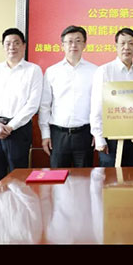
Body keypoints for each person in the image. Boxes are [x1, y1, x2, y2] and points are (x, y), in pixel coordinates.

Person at [0, 28, 43, 188]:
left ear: (24, 46)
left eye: (16, 43)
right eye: (7, 43)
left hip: (18, 131)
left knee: (18, 182)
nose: (12, 47)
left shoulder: (33, 70)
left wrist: (11, 126)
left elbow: (32, 104)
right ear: (3, 46)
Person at [39, 25, 98, 168]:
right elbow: (45, 106)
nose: (73, 45)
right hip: (58, 135)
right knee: (57, 178)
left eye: (78, 41)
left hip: (85, 134)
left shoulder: (95, 71)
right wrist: (45, 135)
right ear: (62, 45)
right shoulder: (52, 72)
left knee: (84, 178)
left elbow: (99, 105)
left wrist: (97, 133)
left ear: (84, 44)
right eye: (69, 41)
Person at [90, 28, 133, 167]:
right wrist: (99, 137)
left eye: (131, 43)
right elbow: (97, 106)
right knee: (111, 177)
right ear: (116, 46)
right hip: (111, 137)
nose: (126, 47)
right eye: (122, 43)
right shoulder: (104, 71)